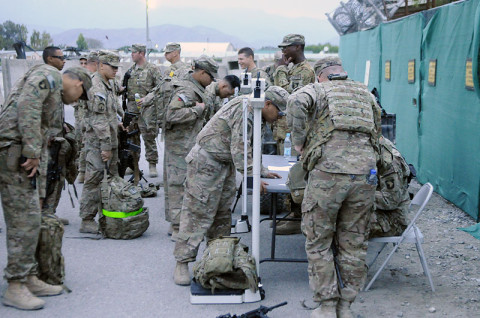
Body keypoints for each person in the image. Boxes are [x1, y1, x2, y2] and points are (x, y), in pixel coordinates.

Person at [287, 56, 382, 318]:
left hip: (328, 175)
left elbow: (295, 101)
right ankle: (347, 306)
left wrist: (299, 142)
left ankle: (327, 306)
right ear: (343, 72)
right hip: (365, 175)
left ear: (320, 75)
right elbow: (378, 129)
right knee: (354, 242)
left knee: (319, 240)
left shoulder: (318, 89)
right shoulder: (365, 93)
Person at [173, 86, 289, 286]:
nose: (279, 117)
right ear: (268, 104)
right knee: (197, 213)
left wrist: (260, 170)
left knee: (222, 214)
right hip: (206, 161)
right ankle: (182, 262)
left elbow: (250, 147)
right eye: (279, 112)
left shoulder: (257, 111)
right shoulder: (246, 109)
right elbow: (240, 148)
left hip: (224, 164)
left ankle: (217, 259)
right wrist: (252, 176)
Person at [0, 64, 90, 310]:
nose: (76, 102)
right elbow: (27, 104)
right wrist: (30, 149)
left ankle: (28, 277)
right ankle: (16, 286)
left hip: (22, 155)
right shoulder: (50, 76)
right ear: (78, 84)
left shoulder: (53, 89)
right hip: (16, 153)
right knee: (23, 221)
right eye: (80, 97)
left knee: (30, 220)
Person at [163, 55, 218, 239]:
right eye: (210, 77)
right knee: (178, 184)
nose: (211, 81)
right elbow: (172, 115)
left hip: (188, 142)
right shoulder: (187, 89)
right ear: (202, 73)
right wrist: (198, 109)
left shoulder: (195, 87)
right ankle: (177, 227)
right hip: (180, 144)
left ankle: (177, 223)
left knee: (185, 183)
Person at [79, 50, 123, 234]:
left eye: (117, 68)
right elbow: (98, 120)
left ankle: (107, 215)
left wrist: (119, 123)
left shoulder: (109, 84)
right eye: (112, 67)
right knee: (94, 180)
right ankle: (87, 219)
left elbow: (109, 111)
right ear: (101, 65)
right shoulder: (96, 86)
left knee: (111, 179)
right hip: (98, 142)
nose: (116, 71)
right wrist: (105, 146)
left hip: (110, 139)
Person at [124, 44, 163, 177]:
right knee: (132, 138)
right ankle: (133, 165)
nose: (132, 55)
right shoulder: (130, 71)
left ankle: (152, 164)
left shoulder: (152, 69)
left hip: (147, 110)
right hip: (132, 110)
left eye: (134, 52)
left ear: (141, 53)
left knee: (149, 137)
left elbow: (160, 88)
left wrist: (148, 98)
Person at [273, 34, 315, 155]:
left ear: (297, 47)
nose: (283, 51)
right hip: (284, 131)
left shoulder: (305, 70)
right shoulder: (293, 68)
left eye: (286, 47)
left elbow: (286, 96)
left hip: (293, 134)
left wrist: (281, 68)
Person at [368, 136, 411, 239]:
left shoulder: (389, 161)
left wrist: (359, 194)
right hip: (379, 212)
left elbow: (390, 200)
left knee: (346, 222)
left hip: (393, 220)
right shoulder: (372, 145)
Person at [76, 51, 99, 183]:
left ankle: (86, 170)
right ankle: (82, 171)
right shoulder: (82, 79)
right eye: (82, 63)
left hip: (90, 114)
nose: (84, 65)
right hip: (83, 114)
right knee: (84, 142)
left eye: (86, 63)